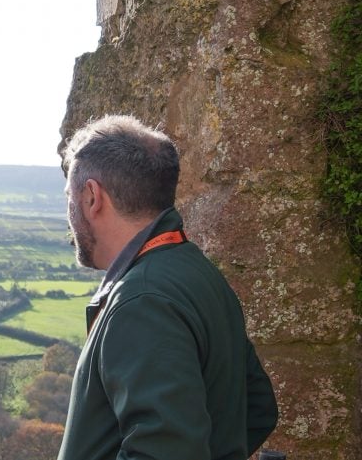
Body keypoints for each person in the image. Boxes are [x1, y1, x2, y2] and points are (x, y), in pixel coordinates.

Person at [57, 115, 278, 460]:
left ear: (91, 197)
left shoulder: (142, 301)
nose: (68, 213)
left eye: (69, 197)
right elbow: (258, 408)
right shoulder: (193, 270)